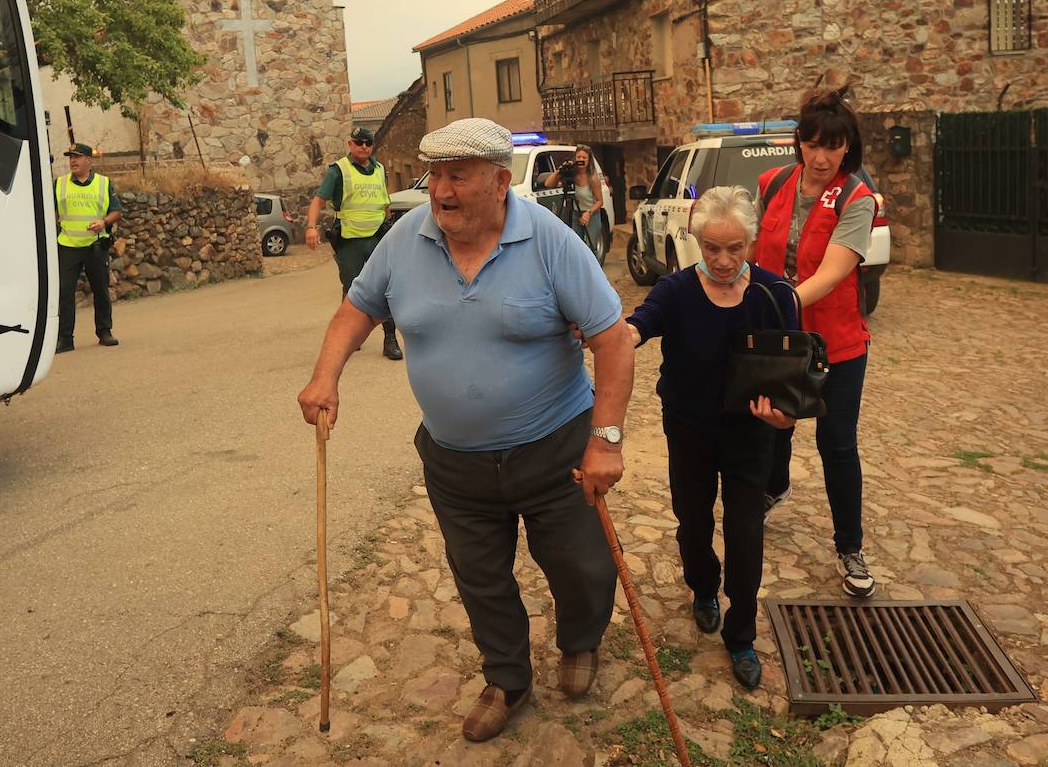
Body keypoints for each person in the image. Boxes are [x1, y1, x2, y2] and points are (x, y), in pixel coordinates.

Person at [297, 118, 635, 743]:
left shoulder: (551, 242)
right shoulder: (405, 239)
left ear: (501, 181)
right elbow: (358, 309)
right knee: (479, 575)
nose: (441, 191)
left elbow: (614, 341)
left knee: (579, 565)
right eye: (435, 176)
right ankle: (507, 678)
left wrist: (605, 439)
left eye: (459, 176)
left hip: (555, 447)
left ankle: (581, 640)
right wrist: (325, 378)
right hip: (455, 460)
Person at [624, 186, 796, 691]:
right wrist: (614, 335)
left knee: (746, 533)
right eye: (712, 247)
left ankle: (741, 634)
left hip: (750, 436)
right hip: (690, 430)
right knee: (693, 524)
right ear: (696, 239)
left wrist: (786, 417)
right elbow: (639, 325)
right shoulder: (675, 291)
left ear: (751, 242)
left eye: (735, 248)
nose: (723, 260)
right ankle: (703, 587)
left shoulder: (774, 294)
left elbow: (796, 373)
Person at [753, 87, 878, 598]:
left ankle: (850, 546)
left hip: (836, 345)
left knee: (837, 445)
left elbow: (831, 273)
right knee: (771, 422)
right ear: (798, 143)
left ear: (848, 147)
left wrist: (774, 305)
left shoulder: (857, 199)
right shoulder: (773, 182)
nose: (822, 156)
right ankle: (772, 487)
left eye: (834, 146)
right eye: (813, 144)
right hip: (778, 338)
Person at [305, 126, 402, 360]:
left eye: (368, 143)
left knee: (386, 288)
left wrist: (390, 227)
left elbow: (384, 203)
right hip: (350, 241)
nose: (364, 147)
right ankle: (349, 335)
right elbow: (318, 200)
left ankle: (390, 339)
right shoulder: (339, 171)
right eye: (359, 143)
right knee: (353, 289)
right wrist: (311, 227)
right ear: (350, 144)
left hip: (377, 237)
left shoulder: (379, 169)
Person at [55, 143, 121, 353]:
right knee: (64, 293)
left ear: (88, 160)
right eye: (70, 157)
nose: (73, 161)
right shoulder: (59, 184)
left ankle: (104, 332)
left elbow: (116, 211)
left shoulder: (103, 183)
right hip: (68, 245)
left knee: (100, 290)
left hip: (95, 245)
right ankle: (65, 339)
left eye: (77, 157)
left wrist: (104, 222)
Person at [543, 144, 605, 262]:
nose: (581, 160)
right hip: (576, 213)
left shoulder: (593, 178)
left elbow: (600, 201)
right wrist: (561, 169)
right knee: (577, 246)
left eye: (584, 158)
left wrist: (589, 213)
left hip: (591, 214)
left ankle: (595, 275)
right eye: (579, 157)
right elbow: (548, 184)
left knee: (591, 247)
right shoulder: (571, 174)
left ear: (589, 160)